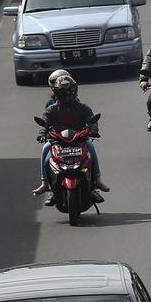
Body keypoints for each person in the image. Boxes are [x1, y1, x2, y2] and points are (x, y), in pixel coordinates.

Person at [32, 71, 107, 206]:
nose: (67, 95)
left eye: (69, 91)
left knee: (91, 148)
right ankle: (46, 183)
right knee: (45, 150)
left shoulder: (82, 108)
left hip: (79, 139)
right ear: (56, 92)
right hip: (57, 141)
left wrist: (93, 131)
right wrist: (42, 133)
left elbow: (92, 120)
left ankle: (97, 181)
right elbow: (45, 122)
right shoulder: (51, 109)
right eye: (63, 92)